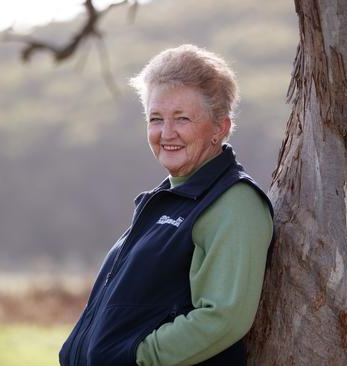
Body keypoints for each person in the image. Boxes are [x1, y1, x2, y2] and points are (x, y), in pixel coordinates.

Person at [59, 44, 274, 366]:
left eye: (182, 118)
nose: (166, 133)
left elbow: (224, 317)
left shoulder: (234, 203)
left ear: (221, 127)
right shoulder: (167, 200)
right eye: (156, 118)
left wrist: (137, 358)